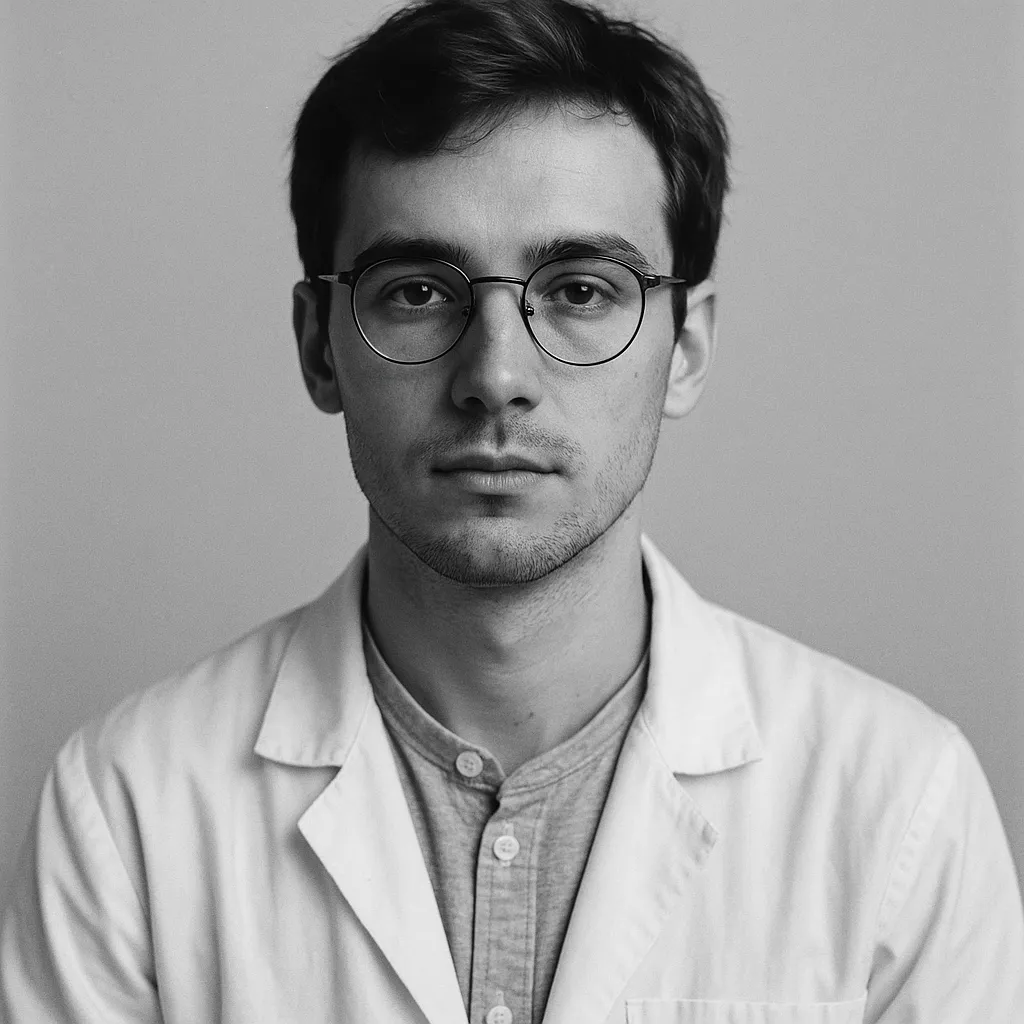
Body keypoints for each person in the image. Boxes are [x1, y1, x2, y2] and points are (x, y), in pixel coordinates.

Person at [2, 0, 1022, 1020]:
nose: (495, 375)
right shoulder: (127, 809)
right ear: (320, 345)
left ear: (688, 346)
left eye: (580, 290)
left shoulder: (898, 809)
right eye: (417, 291)